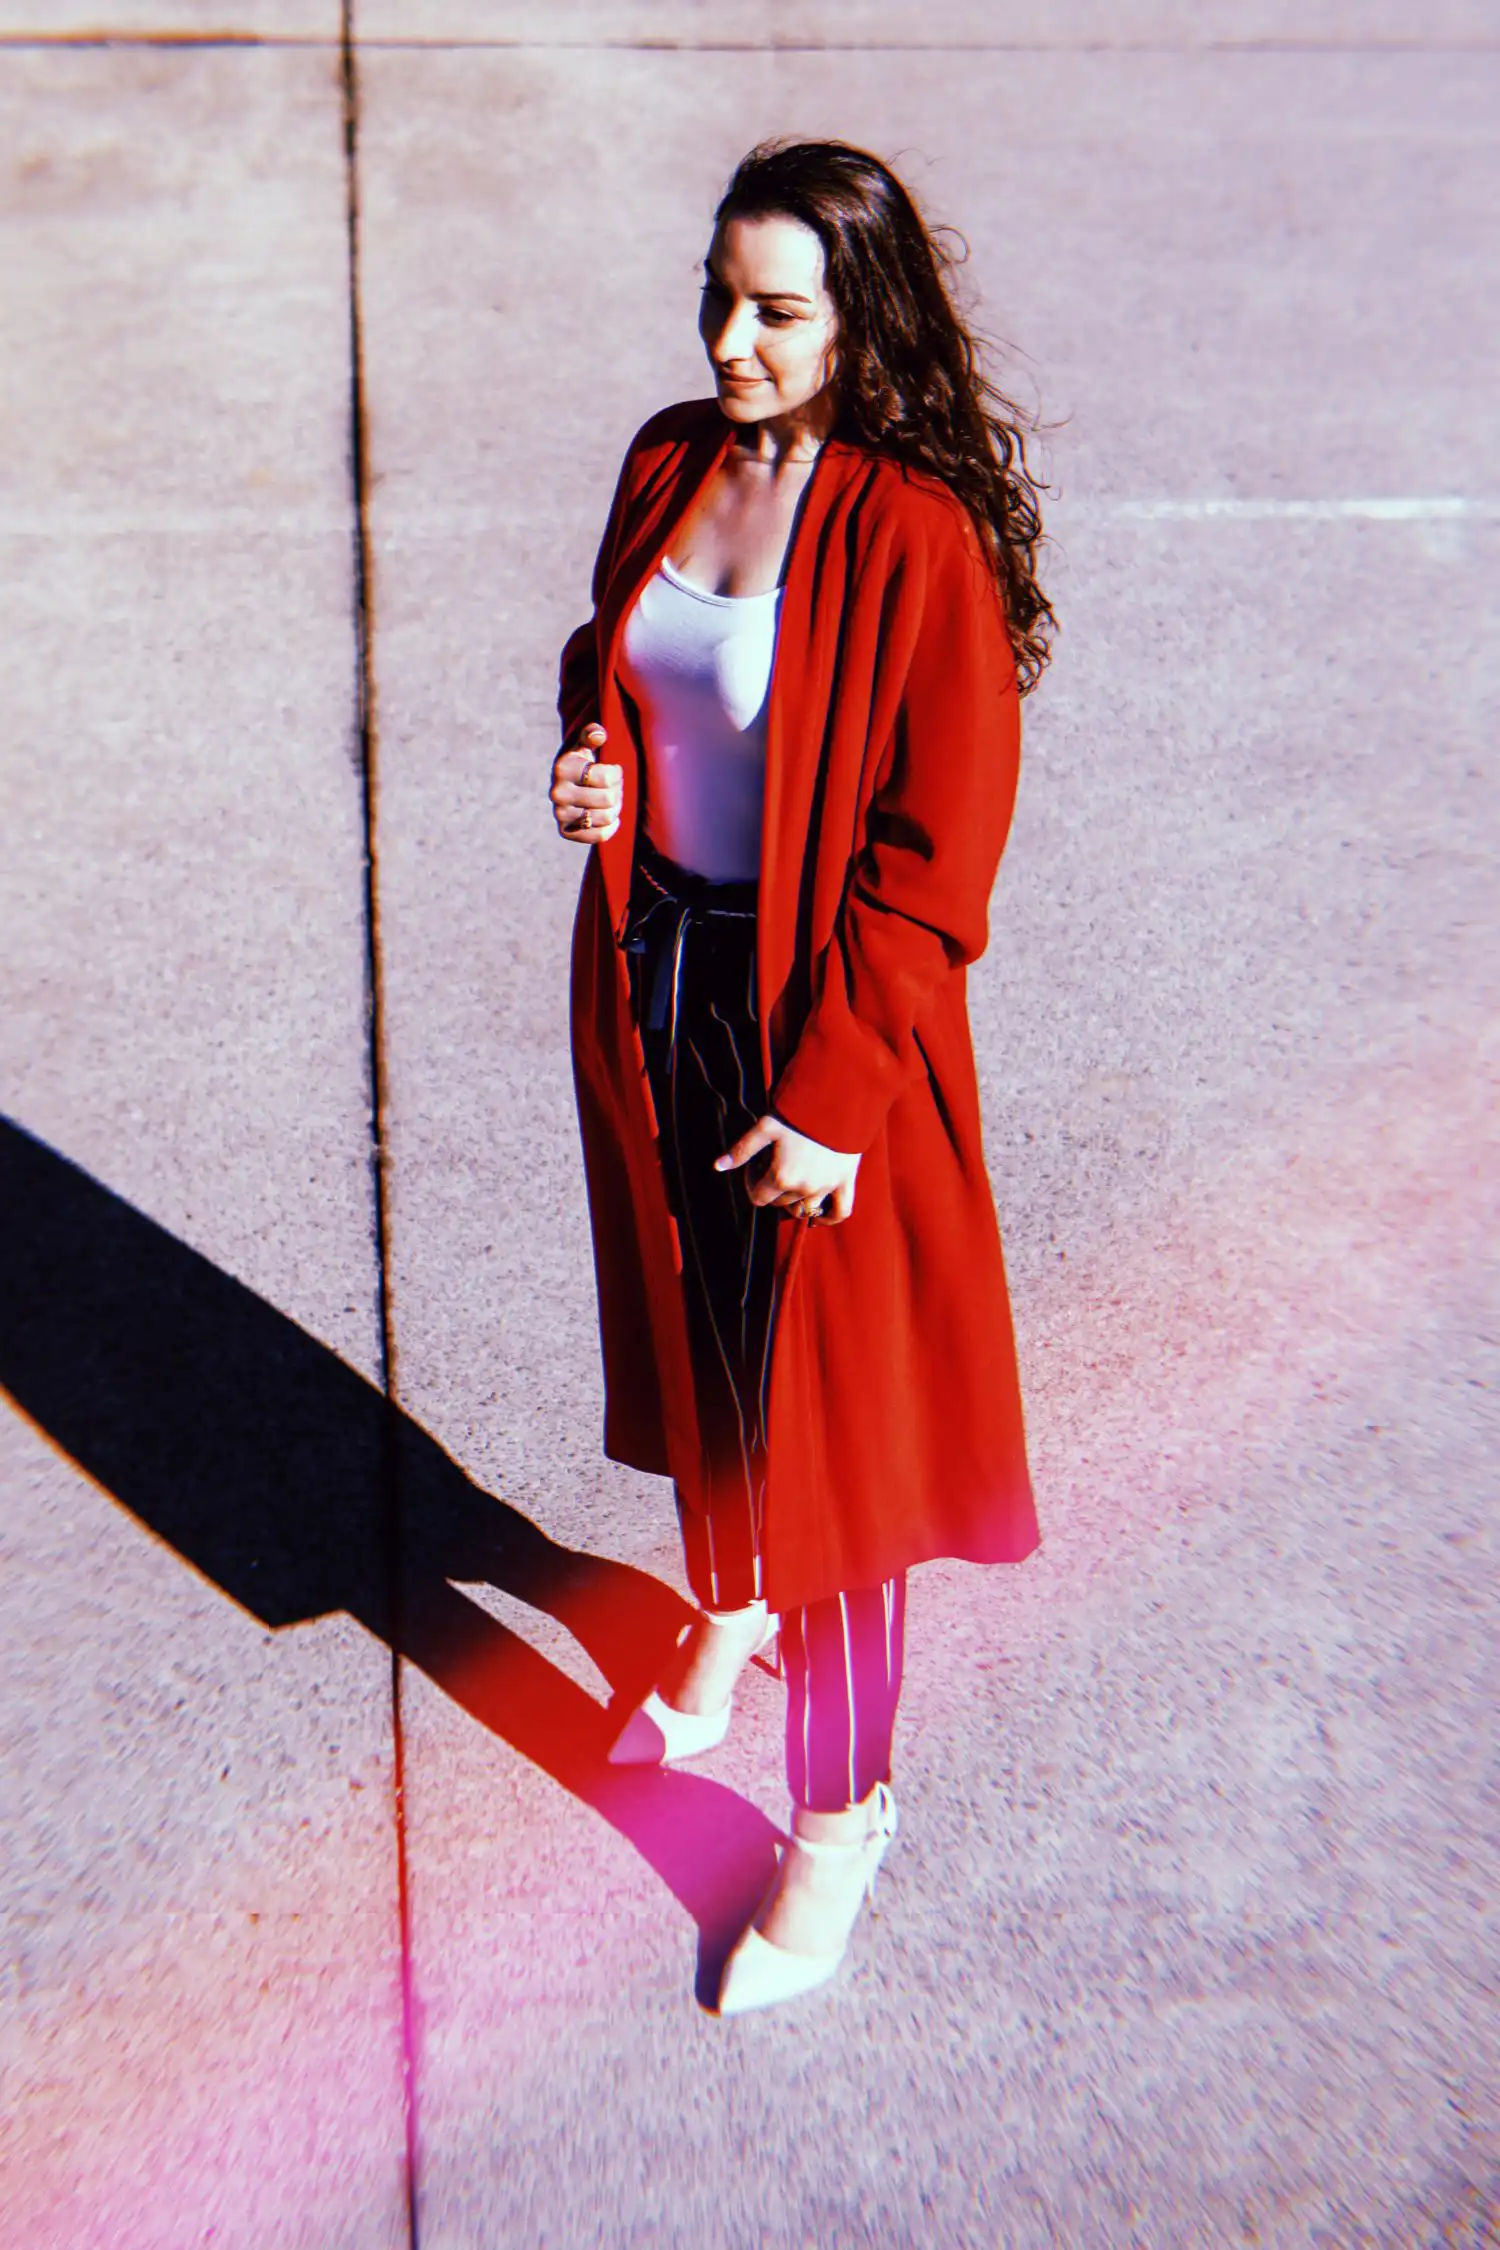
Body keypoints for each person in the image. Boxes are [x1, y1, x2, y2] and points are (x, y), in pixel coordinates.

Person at [548, 138, 1054, 2015]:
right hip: (661, 977)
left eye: (778, 308)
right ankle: (726, 1600)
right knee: (706, 1358)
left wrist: (838, 1091)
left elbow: (939, 856)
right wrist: (593, 757)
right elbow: (620, 658)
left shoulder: (915, 533)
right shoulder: (673, 458)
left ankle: (841, 1823)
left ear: (860, 316)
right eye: (721, 295)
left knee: (840, 1453)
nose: (733, 337)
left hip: (822, 1038)